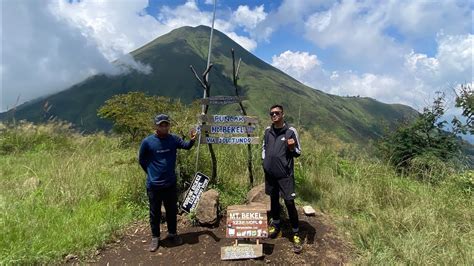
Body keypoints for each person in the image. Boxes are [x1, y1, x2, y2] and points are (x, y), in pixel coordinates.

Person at [139, 114, 196, 252]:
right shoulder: (147, 142)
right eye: (161, 125)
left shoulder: (173, 139)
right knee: (155, 212)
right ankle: (155, 237)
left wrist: (192, 140)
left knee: (171, 211)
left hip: (170, 183)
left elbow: (186, 146)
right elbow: (142, 160)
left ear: (169, 125)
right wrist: (151, 173)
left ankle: (172, 234)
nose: (164, 127)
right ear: (156, 126)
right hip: (154, 185)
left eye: (166, 124)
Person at [262, 104, 303, 253]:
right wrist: (265, 162)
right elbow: (264, 148)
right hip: (271, 174)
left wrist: (292, 148)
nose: (274, 115)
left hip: (285, 175)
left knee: (289, 202)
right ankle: (276, 225)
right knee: (273, 200)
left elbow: (298, 152)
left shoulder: (290, 131)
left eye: (277, 113)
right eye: (271, 113)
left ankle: (296, 232)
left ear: (282, 114)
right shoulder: (268, 131)